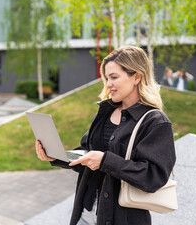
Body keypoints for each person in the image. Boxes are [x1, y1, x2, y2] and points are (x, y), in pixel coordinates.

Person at [35, 46, 176, 225]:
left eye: (114, 77)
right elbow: (87, 154)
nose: (108, 84)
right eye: (107, 78)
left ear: (137, 77)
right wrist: (56, 156)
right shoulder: (104, 112)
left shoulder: (155, 121)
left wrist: (105, 161)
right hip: (85, 214)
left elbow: (154, 177)